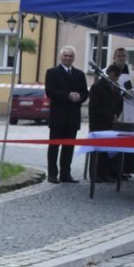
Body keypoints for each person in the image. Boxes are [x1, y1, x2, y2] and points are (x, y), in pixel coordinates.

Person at [45, 45, 89, 184]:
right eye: (66, 55)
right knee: (54, 147)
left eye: (70, 56)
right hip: (58, 116)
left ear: (74, 58)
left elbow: (85, 92)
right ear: (61, 56)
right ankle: (52, 174)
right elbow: (50, 92)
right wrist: (68, 96)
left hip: (72, 116)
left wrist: (79, 97)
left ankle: (65, 174)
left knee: (68, 148)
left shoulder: (79, 74)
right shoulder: (52, 72)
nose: (68, 58)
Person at [108, 47, 134, 177]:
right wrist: (123, 93)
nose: (121, 58)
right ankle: (112, 170)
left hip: (129, 110)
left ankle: (125, 169)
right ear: (114, 57)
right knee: (116, 139)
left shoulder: (133, 73)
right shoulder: (108, 71)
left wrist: (133, 93)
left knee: (128, 138)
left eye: (123, 56)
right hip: (115, 110)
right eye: (119, 56)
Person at [88, 64, 123, 182]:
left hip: (110, 123)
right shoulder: (97, 87)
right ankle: (95, 174)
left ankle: (105, 173)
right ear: (108, 73)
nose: (114, 79)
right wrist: (110, 116)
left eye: (117, 78)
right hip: (98, 123)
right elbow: (96, 106)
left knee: (107, 149)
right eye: (113, 76)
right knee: (97, 150)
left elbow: (119, 103)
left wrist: (116, 115)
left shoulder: (116, 87)